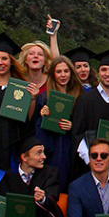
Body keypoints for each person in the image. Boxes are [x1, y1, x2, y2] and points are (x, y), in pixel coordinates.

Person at [70, 50, 109, 180]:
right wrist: (90, 158)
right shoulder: (84, 99)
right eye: (104, 70)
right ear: (98, 71)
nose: (107, 74)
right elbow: (77, 134)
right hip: (87, 168)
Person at [0, 32, 32, 171]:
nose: (0, 63)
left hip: (14, 151)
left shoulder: (20, 88)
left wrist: (32, 98)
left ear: (11, 62)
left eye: (4, 59)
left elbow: (27, 121)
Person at [35, 55, 80, 185]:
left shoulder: (79, 96)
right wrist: (41, 115)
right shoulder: (44, 98)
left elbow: (84, 124)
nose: (63, 75)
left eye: (66, 71)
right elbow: (37, 129)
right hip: (52, 146)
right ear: (53, 74)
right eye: (59, 71)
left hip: (70, 146)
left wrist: (73, 125)